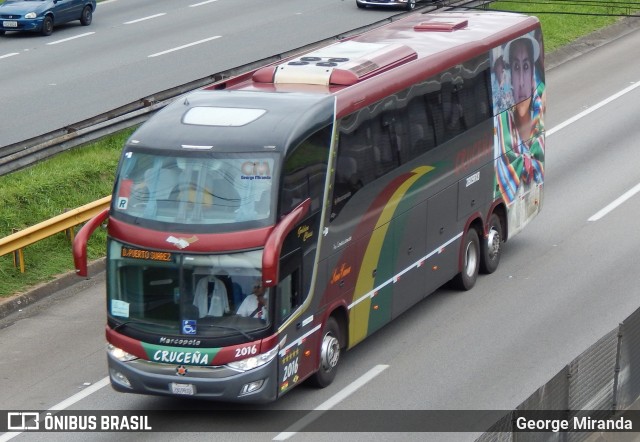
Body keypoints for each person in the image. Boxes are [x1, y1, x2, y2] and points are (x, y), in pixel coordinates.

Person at [495, 33, 545, 232]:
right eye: (516, 68)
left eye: (526, 67)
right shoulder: (501, 132)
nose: (522, 82)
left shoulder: (538, 122)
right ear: (510, 78)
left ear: (533, 73)